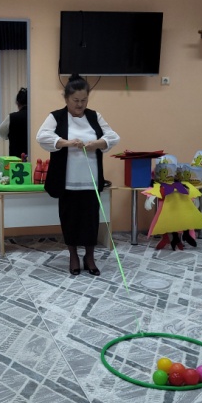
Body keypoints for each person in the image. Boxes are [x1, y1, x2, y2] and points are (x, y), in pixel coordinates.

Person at [36, 75, 120, 276]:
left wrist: (96, 144)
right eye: (75, 100)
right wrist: (67, 143)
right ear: (66, 98)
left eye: (84, 100)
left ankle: (89, 257)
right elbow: (42, 137)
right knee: (70, 220)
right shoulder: (56, 117)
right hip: (67, 182)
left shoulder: (95, 116)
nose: (80, 104)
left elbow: (113, 137)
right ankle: (73, 256)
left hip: (90, 181)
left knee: (91, 221)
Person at [0, 87, 28, 158]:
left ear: (17, 103)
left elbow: (0, 131)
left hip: (15, 159)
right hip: (33, 157)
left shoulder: (12, 117)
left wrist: (10, 135)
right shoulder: (35, 117)